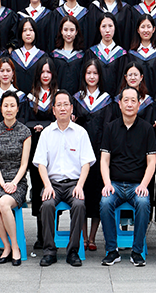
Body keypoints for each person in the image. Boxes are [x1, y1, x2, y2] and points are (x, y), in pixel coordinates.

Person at [98, 86, 156, 267]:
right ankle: (112, 251)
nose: (129, 104)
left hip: (136, 185)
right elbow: (104, 160)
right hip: (115, 184)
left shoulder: (147, 129)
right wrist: (107, 183)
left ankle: (137, 251)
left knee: (143, 203)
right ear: (120, 104)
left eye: (133, 101)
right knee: (105, 202)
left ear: (139, 104)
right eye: (126, 100)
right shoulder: (110, 128)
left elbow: (152, 162)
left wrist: (144, 185)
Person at [34, 91, 95, 267]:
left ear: (71, 108)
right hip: (52, 183)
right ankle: (49, 251)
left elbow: (86, 163)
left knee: (79, 205)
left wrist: (80, 186)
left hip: (73, 184)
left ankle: (73, 251)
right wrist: (47, 186)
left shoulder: (80, 133)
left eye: (65, 104)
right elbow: (41, 164)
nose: (62, 108)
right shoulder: (46, 133)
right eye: (59, 105)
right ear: (53, 110)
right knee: (47, 205)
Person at [0, 91, 33, 265]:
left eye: (12, 105)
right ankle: (6, 246)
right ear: (1, 108)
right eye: (6, 105)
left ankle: (15, 247)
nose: (9, 109)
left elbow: (24, 164)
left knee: (4, 203)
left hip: (18, 181)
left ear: (18, 109)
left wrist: (13, 183)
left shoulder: (25, 132)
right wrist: (2, 183)